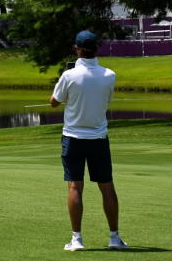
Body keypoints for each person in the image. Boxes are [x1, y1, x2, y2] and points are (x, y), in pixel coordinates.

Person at [50, 30, 128, 251]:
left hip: (73, 137)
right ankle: (114, 238)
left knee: (75, 186)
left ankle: (77, 240)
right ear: (96, 49)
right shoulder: (109, 75)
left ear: (77, 48)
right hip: (98, 138)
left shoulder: (69, 75)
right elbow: (107, 100)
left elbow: (54, 102)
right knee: (107, 186)